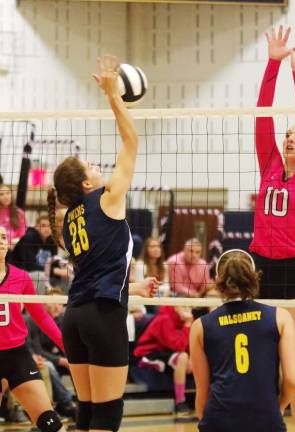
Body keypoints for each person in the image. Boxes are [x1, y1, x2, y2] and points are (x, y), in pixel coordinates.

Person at [46, 55, 143, 432]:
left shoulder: (67, 220)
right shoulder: (107, 198)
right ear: (87, 185)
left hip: (76, 316)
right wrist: (113, 96)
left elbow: (100, 265)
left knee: (87, 412)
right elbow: (131, 141)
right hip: (102, 315)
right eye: (93, 167)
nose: (100, 168)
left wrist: (131, 286)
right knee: (106, 414)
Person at [249, 26, 295, 432]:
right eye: (288, 134)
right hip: (260, 269)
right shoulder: (269, 166)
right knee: (263, 362)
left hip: (294, 273)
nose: (292, 137)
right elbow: (263, 114)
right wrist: (273, 63)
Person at [190, 249, 295, 432]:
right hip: (266, 419)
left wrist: (205, 418)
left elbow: (202, 391)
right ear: (253, 277)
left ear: (218, 281)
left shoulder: (200, 326)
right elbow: (293, 380)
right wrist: (279, 407)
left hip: (219, 418)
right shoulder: (281, 317)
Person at [0, 225, 66, 432]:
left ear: (9, 243)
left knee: (50, 422)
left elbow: (42, 318)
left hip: (17, 355)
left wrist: (68, 347)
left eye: (3, 236)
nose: (1, 241)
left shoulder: (21, 277)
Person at [133, 306, 194, 418]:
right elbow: (178, 346)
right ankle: (180, 402)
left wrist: (192, 358)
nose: (188, 311)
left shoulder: (186, 321)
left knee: (195, 358)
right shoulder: (164, 318)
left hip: (167, 353)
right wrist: (188, 325)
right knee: (183, 357)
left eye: (189, 308)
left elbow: (191, 345)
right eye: (184, 307)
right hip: (147, 355)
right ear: (176, 307)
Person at [0, 184, 27, 249]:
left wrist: (14, 241)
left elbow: (22, 232)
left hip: (14, 247)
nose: (5, 196)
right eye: (1, 194)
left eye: (8, 193)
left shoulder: (19, 213)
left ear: (11, 194)